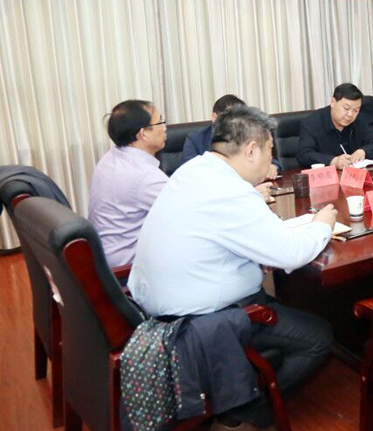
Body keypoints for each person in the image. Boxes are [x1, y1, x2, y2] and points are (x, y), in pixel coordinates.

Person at [129, 106, 336, 430]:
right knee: (319, 337)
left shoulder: (193, 170)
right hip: (199, 322)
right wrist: (323, 223)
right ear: (251, 150)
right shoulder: (231, 193)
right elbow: (291, 253)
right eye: (270, 150)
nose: (272, 160)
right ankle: (252, 410)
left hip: (157, 306)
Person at [88, 100, 168, 268]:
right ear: (143, 134)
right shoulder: (145, 176)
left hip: (104, 256)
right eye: (160, 121)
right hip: (126, 269)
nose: (165, 127)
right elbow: (188, 213)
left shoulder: (111, 157)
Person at [181, 94, 279, 180]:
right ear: (214, 118)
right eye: (230, 117)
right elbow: (190, 173)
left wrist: (272, 165)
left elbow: (264, 156)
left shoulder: (246, 133)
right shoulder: (195, 139)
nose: (235, 123)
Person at [296, 83, 373, 168]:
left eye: (356, 110)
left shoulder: (358, 120)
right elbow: (303, 155)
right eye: (346, 108)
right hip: (327, 176)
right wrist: (333, 161)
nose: (350, 114)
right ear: (333, 102)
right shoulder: (312, 122)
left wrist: (363, 151)